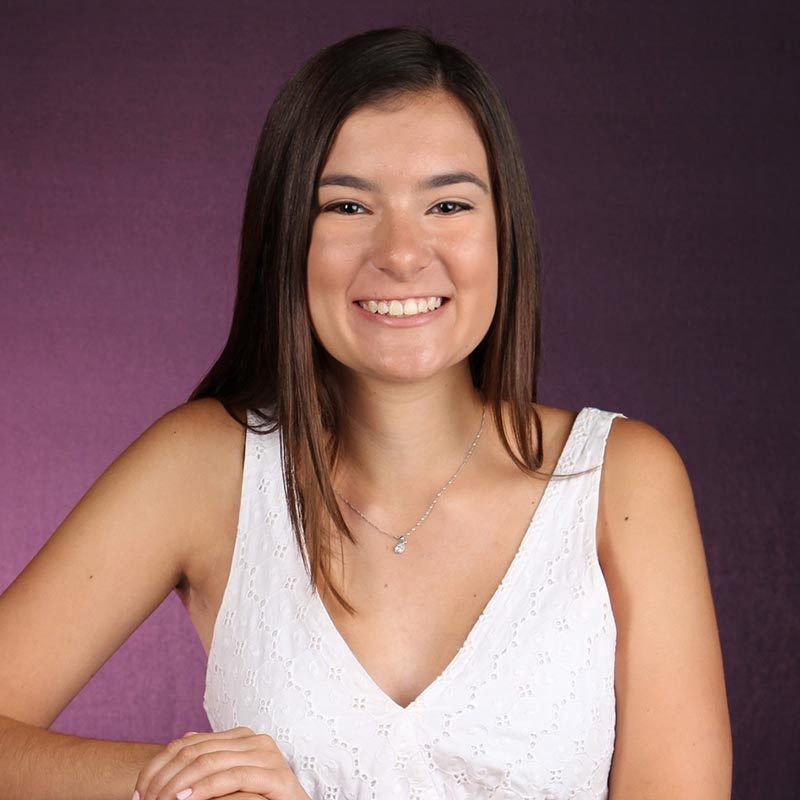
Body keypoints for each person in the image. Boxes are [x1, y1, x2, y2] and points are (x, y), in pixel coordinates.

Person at [0, 26, 731, 800]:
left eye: (448, 203)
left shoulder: (621, 480)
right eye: (348, 205)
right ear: (288, 237)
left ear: (504, 232)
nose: (402, 254)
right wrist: (173, 785)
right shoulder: (203, 467)